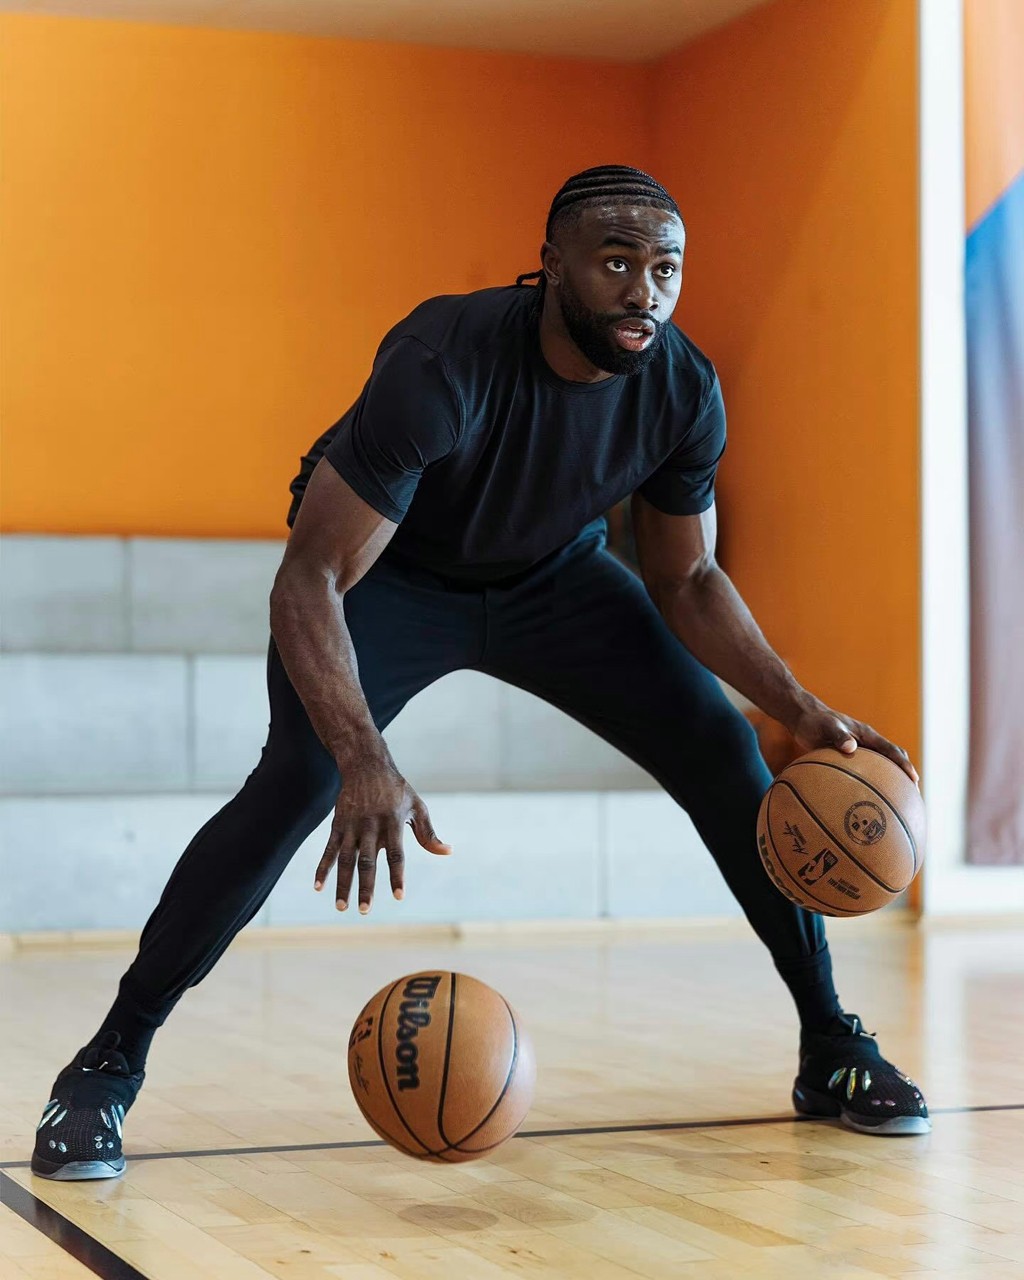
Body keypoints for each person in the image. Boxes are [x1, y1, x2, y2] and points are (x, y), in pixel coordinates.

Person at [31, 165, 929, 1182]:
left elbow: (686, 577)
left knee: (724, 748)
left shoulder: (682, 388)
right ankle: (107, 1063)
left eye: (666, 268)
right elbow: (309, 577)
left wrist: (797, 707)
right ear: (551, 265)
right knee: (297, 781)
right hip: (396, 578)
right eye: (616, 262)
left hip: (558, 582)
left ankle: (831, 1042)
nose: (643, 289)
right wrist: (363, 755)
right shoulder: (442, 359)